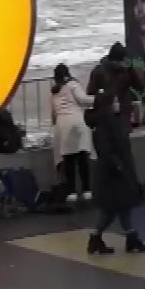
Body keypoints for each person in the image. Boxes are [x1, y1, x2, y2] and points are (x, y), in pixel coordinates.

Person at [89, 86, 145, 255]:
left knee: (122, 206)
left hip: (117, 171)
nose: (117, 104)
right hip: (113, 174)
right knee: (113, 208)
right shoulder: (104, 126)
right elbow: (106, 150)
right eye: (114, 101)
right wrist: (120, 165)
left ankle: (128, 237)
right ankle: (99, 237)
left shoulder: (109, 122)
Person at [49, 63, 94, 203]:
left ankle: (71, 192)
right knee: (82, 157)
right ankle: (87, 190)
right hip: (76, 123)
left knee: (68, 160)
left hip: (62, 126)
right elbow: (83, 100)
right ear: (67, 74)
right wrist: (100, 98)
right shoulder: (73, 85)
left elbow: (53, 115)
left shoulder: (54, 91)